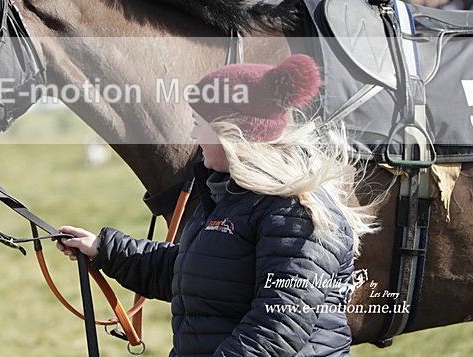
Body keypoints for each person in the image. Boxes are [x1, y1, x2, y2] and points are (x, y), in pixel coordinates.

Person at [57, 54, 377, 356]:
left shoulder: (295, 215)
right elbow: (194, 272)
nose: (194, 134)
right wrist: (102, 248)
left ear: (232, 133)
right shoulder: (230, 197)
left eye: (199, 123)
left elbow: (277, 328)